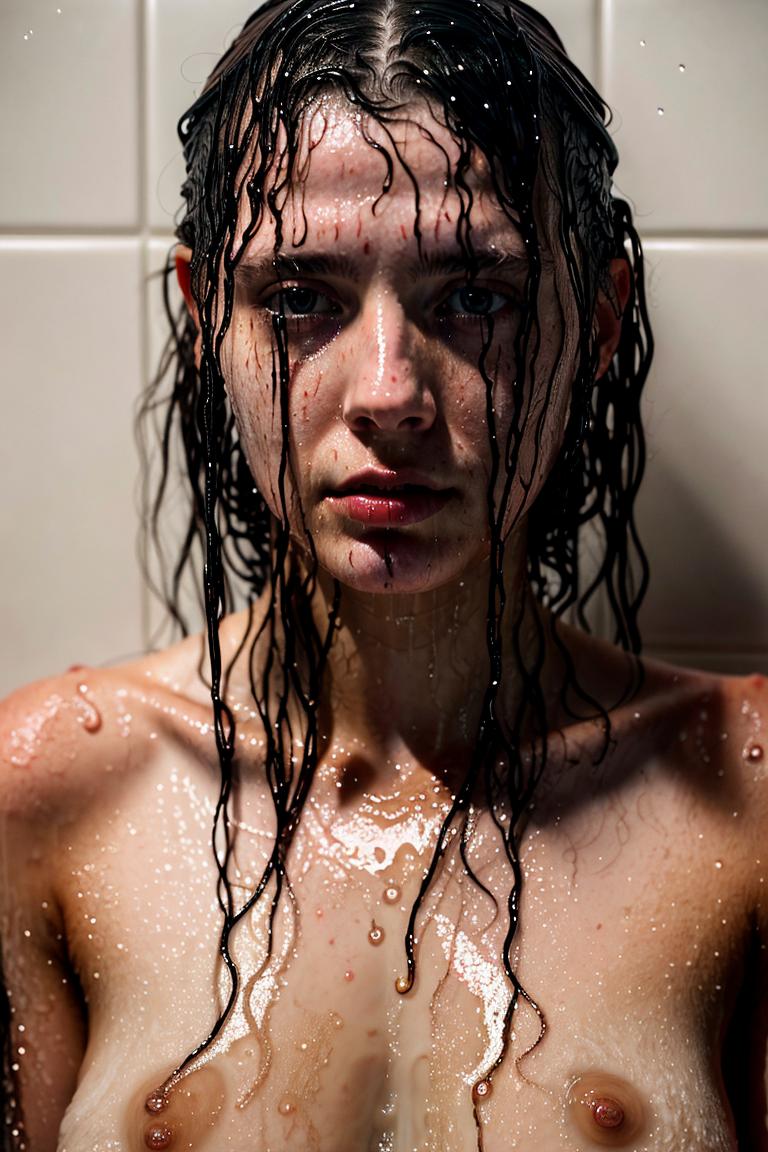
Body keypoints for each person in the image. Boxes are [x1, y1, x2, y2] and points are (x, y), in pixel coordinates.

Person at [1, 0, 766, 1149]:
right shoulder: (49, 796)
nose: (389, 391)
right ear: (206, 317)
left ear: (599, 321)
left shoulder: (744, 807)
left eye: (474, 297)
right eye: (300, 298)